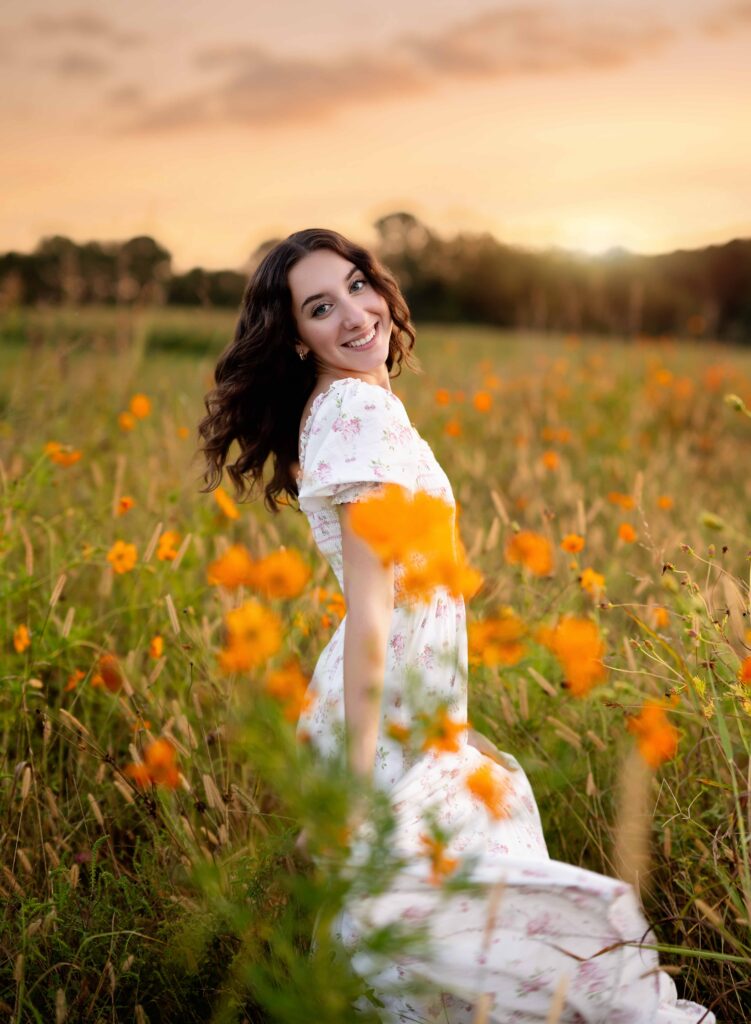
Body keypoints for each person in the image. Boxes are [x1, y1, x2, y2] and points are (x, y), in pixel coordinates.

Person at [199, 228, 715, 1023]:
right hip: (383, 710)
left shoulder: (352, 405)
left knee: (435, 925)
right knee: (443, 923)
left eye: (357, 285)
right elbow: (372, 608)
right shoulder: (355, 410)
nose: (354, 314)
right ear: (296, 338)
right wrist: (351, 794)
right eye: (320, 307)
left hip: (410, 702)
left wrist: (449, 723)